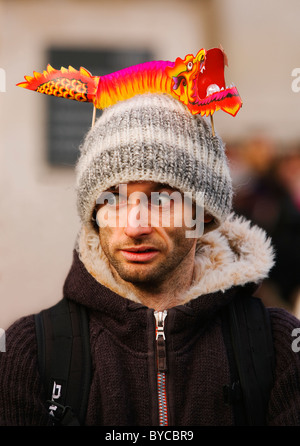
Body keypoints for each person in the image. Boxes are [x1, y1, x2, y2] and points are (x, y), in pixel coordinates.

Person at [1, 93, 300, 426]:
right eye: (113, 198)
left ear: (202, 215)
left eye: (162, 199)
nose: (135, 226)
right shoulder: (29, 353)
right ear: (94, 214)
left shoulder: (278, 346)